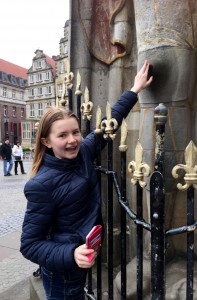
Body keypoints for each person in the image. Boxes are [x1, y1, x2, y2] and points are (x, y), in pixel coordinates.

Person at [20, 60, 153, 300]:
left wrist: (135, 90)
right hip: (61, 271)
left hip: (81, 261)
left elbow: (107, 125)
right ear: (46, 142)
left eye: (75, 132)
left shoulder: (83, 152)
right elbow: (29, 245)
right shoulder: (41, 185)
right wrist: (71, 254)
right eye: (62, 135)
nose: (72, 140)